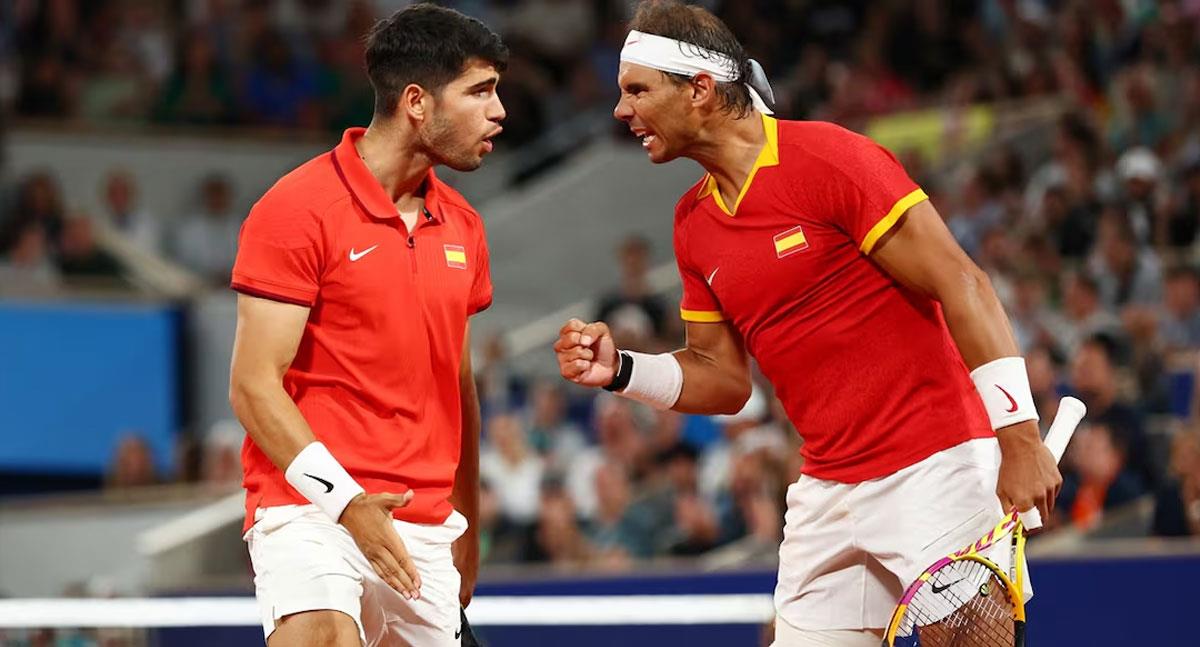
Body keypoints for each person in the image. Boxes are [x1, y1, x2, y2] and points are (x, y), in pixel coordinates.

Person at [552, 2, 1061, 645]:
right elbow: (723, 379)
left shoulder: (830, 158)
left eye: (637, 91)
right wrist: (622, 369)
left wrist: (1018, 439)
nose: (621, 110)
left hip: (937, 468)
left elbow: (963, 283)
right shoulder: (691, 224)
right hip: (827, 487)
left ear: (701, 89)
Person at [227, 5, 506, 646]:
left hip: (425, 530)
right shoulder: (295, 209)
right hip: (311, 509)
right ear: (416, 101)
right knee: (322, 635)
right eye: (480, 91)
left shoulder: (465, 225)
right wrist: (347, 503)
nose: (499, 112)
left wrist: (468, 524)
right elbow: (252, 386)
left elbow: (455, 386)